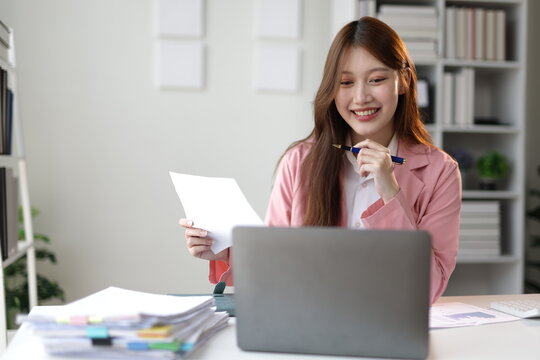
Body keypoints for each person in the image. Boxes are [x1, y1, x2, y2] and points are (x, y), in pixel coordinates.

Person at [180, 17, 461, 304]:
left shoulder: (440, 171)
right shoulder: (299, 162)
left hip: (393, 325)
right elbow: (276, 265)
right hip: (308, 324)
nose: (361, 97)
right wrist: (223, 253)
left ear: (403, 80)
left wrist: (390, 192)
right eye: (346, 83)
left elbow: (429, 288)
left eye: (376, 80)